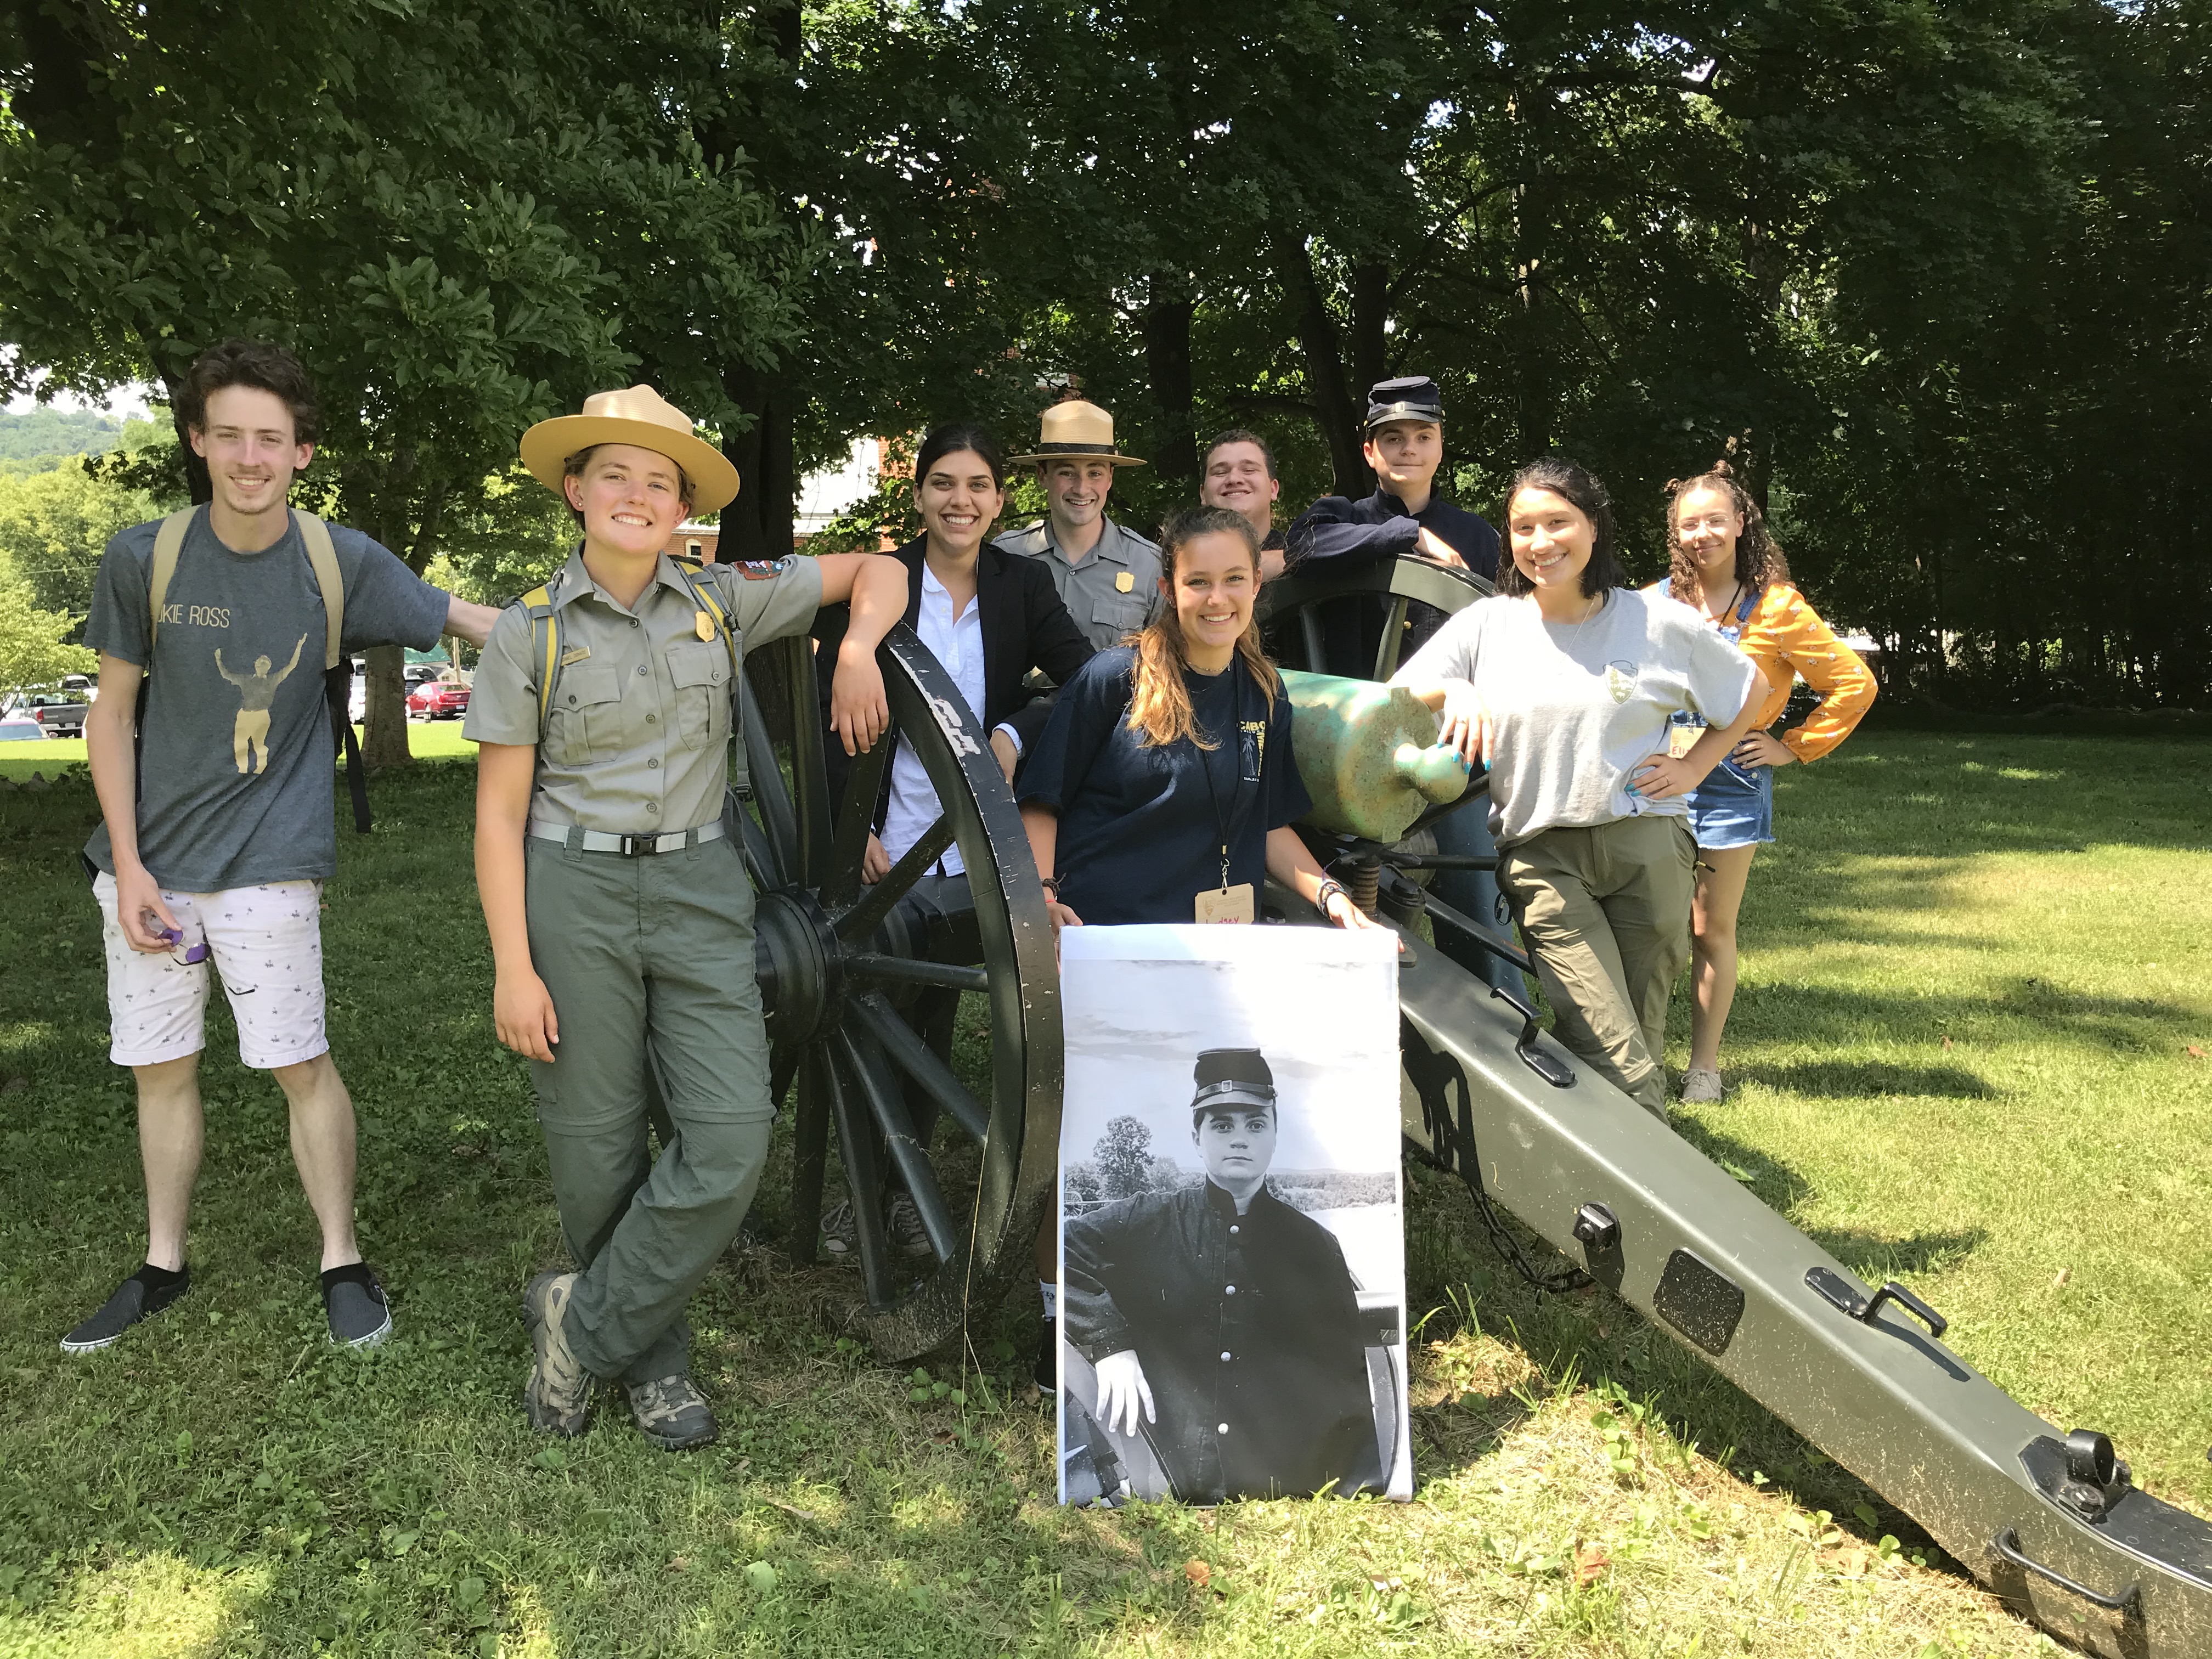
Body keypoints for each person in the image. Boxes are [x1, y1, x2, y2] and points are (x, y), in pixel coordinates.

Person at [467, 385, 906, 1449]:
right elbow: (497, 817)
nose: (636, 494)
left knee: (729, 1139)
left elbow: (879, 570)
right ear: (576, 491)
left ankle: (586, 1326)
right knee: (596, 1143)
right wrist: (513, 968)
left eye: (658, 481)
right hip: (574, 896)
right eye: (615, 473)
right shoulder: (528, 635)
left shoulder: (725, 599)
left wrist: (853, 648)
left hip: (704, 888)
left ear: (681, 510)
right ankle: (654, 1361)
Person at [66, 337, 500, 1356]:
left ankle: (341, 1256)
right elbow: (109, 715)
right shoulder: (145, 556)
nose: (250, 457)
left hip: (272, 862)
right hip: (152, 872)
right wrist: (128, 867)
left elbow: (469, 618)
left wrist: (593, 621)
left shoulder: (336, 558)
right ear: (197, 440)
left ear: (303, 451)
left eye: (272, 438)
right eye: (230, 436)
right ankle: (161, 1262)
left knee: (298, 1061)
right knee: (160, 1067)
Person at [1019, 504, 1389, 1382]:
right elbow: (1041, 802)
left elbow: (1269, 829)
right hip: (1109, 946)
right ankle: (1056, 1323)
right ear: (1168, 587)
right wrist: (1043, 903)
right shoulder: (1113, 682)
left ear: (1256, 588)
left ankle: (1187, 1316)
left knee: (1172, 1139)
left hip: (1210, 959)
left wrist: (1335, 899)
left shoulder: (1263, 692)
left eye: (1234, 581)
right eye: (1198, 582)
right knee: (1092, 1138)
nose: (1216, 599)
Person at [1391, 456, 1762, 1120]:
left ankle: (1608, 1200)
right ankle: (1665, 1193)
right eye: (1523, 527)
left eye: (1558, 522)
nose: (1541, 542)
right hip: (1544, 859)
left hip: (1649, 849)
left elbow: (1750, 691)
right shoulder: (1488, 625)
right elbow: (1392, 698)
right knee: (1617, 1053)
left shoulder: (1655, 621)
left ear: (1594, 527)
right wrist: (1455, 686)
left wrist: (1694, 767)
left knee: (1638, 1037)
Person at [807, 421, 1091, 1259]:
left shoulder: (1022, 584)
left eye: (977, 486)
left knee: (927, 1010)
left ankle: (903, 1190)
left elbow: (1082, 680)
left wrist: (1012, 728)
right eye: (943, 484)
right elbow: (830, 720)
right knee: (870, 1010)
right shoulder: (884, 580)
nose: (960, 501)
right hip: (888, 827)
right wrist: (847, 827)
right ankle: (861, 1189)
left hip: (976, 838)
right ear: (921, 494)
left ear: (1001, 500)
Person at [1063, 1047, 1384, 1503]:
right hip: (1167, 1476)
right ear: (1197, 1138)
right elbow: (1068, 1247)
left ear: (1275, 1137)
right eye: (1221, 1125)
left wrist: (1358, 1484)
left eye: (1255, 1125)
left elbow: (1341, 1381)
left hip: (1274, 1482)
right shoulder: (1151, 1220)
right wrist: (1111, 1346)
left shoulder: (1315, 1248)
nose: (1239, 1140)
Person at [1286, 375, 1516, 997]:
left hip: (1453, 747)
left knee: (1475, 889)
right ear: (1370, 452)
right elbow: (1303, 548)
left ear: (1442, 447)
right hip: (1343, 754)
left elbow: (1507, 633)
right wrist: (1407, 537)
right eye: (1392, 437)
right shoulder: (1338, 518)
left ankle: (1496, 1008)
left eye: (1422, 436)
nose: (1407, 449)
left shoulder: (1480, 538)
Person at [1654, 464, 1876, 1104]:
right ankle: (1636, 1054)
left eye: (1715, 520)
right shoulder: (1657, 601)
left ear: (1741, 523)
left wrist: (1792, 746)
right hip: (1658, 773)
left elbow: (1854, 684)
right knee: (1646, 920)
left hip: (1729, 780)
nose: (1703, 534)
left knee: (1707, 927)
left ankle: (1703, 1067)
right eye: (1689, 523)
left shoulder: (1777, 607)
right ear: (1676, 531)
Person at [992, 397, 1162, 651]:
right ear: (1043, 476)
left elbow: (1163, 666)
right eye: (1067, 473)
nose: (1082, 489)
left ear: (1110, 479)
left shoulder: (1149, 565)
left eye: (1095, 473)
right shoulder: (1007, 554)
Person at [1199, 429, 1286, 580]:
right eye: (1220, 472)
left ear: (1273, 489)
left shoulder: (1315, 554)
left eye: (1249, 470)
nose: (1234, 479)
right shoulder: (1167, 562)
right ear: (1202, 494)